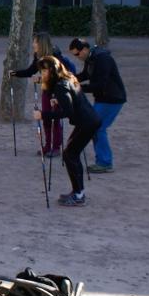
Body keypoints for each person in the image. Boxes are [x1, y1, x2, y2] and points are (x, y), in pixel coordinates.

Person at [34, 56, 101, 207]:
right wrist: (59, 101)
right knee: (71, 154)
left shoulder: (60, 86)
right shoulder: (68, 78)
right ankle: (78, 192)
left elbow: (68, 112)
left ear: (52, 70)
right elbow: (73, 99)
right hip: (89, 120)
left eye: (44, 70)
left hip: (87, 122)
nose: (42, 74)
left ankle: (79, 195)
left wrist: (43, 114)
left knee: (70, 154)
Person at [9, 33, 76, 157]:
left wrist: (44, 82)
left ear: (41, 43)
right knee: (45, 118)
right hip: (46, 90)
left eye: (35, 42)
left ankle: (56, 147)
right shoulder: (38, 56)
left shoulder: (55, 56)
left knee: (55, 119)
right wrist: (14, 73)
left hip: (58, 91)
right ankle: (47, 146)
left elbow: (61, 76)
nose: (33, 44)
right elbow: (30, 71)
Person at [68, 38, 127, 173]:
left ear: (84, 49)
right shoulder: (91, 58)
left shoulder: (102, 59)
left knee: (97, 127)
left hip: (112, 98)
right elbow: (85, 75)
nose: (77, 58)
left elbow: (101, 84)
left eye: (77, 54)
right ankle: (103, 161)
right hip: (103, 98)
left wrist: (78, 88)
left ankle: (105, 162)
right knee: (94, 126)